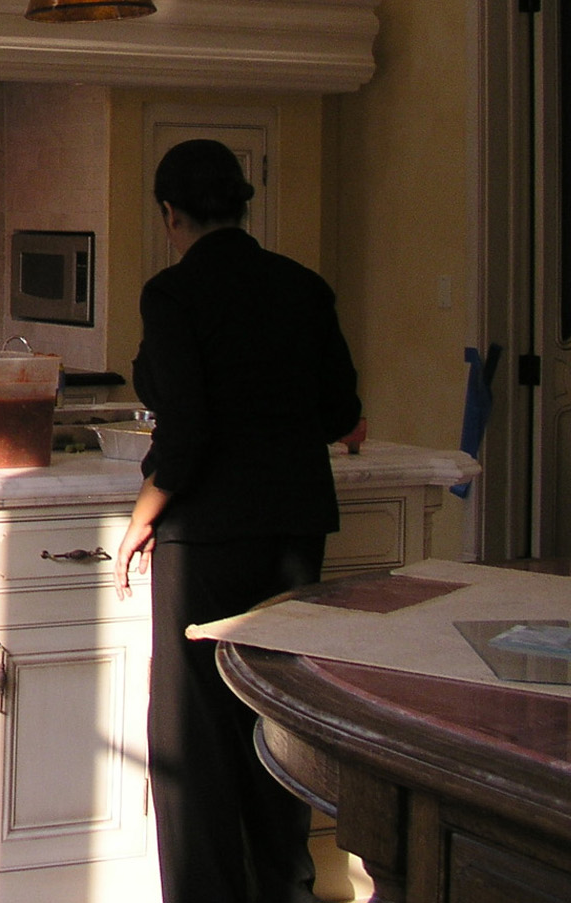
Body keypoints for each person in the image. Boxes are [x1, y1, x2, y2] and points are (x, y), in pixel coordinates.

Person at [114, 138, 363, 903]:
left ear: (170, 214)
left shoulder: (173, 294)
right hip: (293, 530)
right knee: (276, 717)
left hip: (208, 536)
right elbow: (340, 411)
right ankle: (284, 888)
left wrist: (141, 516)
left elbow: (185, 432)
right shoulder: (303, 286)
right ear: (242, 204)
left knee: (194, 736)